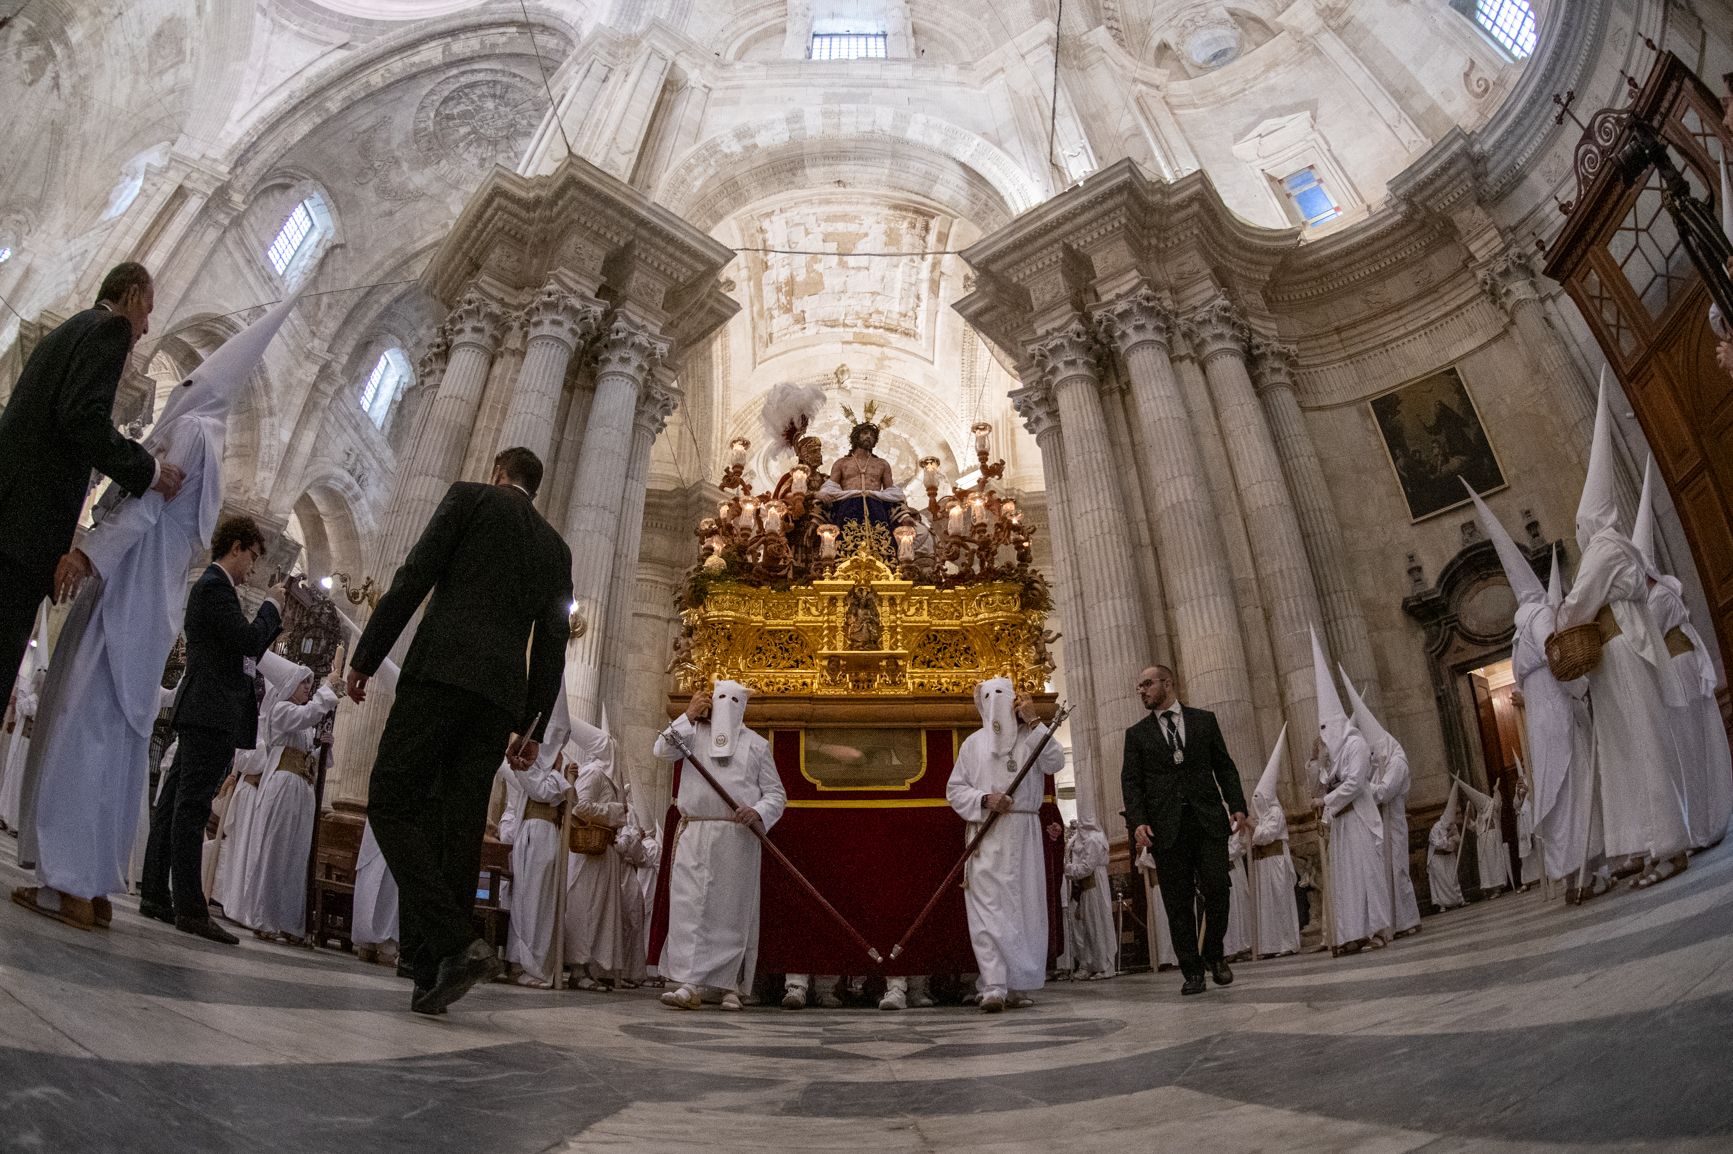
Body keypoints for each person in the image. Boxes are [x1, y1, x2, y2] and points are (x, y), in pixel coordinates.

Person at [11, 294, 296, 932]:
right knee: (113, 740)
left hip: (124, 587)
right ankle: (94, 883)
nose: (182, 387)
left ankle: (70, 885)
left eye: (191, 380)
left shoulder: (191, 431)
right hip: (147, 601)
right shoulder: (210, 439)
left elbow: (140, 507)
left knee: (84, 729)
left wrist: (87, 552)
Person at [347, 445, 572, 1016]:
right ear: (534, 487)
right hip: (498, 700)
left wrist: (367, 655)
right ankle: (432, 975)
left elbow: (414, 576)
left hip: (440, 675)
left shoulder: (468, 499)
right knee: (460, 827)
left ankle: (453, 943)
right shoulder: (555, 548)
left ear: (498, 473)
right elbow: (551, 641)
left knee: (391, 803)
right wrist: (533, 725)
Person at [0, 262, 184, 694]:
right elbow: (82, 416)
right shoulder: (110, 329)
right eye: (149, 310)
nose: (144, 328)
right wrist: (150, 471)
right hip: (23, 536)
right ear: (134, 295)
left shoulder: (70, 330)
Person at [1556, 382, 1691, 889]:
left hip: (1621, 651)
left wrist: (1560, 618)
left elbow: (1579, 604)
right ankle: (1638, 842)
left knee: (1641, 743)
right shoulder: (1615, 548)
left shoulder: (1605, 547)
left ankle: (1669, 846)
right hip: (1612, 657)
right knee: (1622, 750)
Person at [134, 516, 284, 942]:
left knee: (173, 804)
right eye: (251, 558)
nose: (251, 569)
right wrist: (272, 605)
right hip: (211, 710)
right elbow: (248, 642)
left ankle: (156, 896)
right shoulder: (216, 588)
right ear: (234, 548)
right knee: (192, 807)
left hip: (204, 708)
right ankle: (190, 907)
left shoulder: (216, 590)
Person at [1465, 487, 1601, 888]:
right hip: (1556, 707)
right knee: (1572, 784)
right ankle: (1588, 867)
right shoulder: (1541, 614)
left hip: (1540, 718)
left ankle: (1570, 871)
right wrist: (1582, 690)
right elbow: (1557, 658)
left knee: (1557, 791)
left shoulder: (1517, 630)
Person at [653, 680, 786, 1011]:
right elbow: (661, 750)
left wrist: (757, 811)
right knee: (691, 909)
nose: (725, 705)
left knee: (730, 912)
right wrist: (686, 716)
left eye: (732, 699)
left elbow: (776, 793)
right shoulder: (692, 736)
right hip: (695, 832)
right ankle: (689, 982)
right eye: (719, 698)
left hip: (736, 836)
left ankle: (730, 985)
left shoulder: (756, 745)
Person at [1122, 664, 1247, 995]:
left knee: (1218, 887)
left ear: (1167, 683)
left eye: (1147, 684)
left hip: (1207, 820)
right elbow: (1131, 783)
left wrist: (1237, 805)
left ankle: (1215, 955)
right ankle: (1192, 970)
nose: (1142, 691)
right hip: (1166, 828)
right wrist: (1138, 822)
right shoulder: (1136, 735)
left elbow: (1224, 765)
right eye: (1140, 687)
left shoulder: (1204, 721)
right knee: (1177, 902)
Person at [1632, 457, 1733, 850]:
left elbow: (1648, 638)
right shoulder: (1663, 593)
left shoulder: (1659, 598)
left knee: (1690, 743)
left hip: (1680, 667)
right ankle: (1701, 820)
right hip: (1681, 666)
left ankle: (1704, 823)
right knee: (1690, 742)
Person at [947, 678, 1065, 1012]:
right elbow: (955, 789)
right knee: (987, 910)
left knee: (1022, 909)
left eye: (1002, 694)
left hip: (1024, 835)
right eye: (988, 695)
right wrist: (985, 798)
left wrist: (1034, 720)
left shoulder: (1033, 737)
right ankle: (993, 984)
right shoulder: (973, 744)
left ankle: (1017, 983)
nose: (995, 701)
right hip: (988, 832)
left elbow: (1055, 762)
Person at [237, 661, 341, 941]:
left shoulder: (303, 723)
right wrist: (328, 687)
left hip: (302, 789)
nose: (308, 687)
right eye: (304, 682)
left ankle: (289, 921)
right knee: (276, 851)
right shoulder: (281, 710)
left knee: (296, 856)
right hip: (283, 785)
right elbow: (308, 715)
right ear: (289, 686)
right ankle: (264, 918)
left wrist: (322, 747)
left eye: (311, 683)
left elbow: (308, 753)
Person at [1307, 630, 1390, 954]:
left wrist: (1324, 800)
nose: (1324, 736)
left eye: (1327, 728)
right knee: (1347, 881)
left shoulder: (1354, 744)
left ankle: (1377, 932)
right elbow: (1328, 781)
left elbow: (1354, 783)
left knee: (1364, 876)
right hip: (1343, 823)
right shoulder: (1337, 751)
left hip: (1358, 819)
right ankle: (1353, 932)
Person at [1343, 678, 1422, 940]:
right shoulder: (1381, 762)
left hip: (1394, 822)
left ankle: (1407, 920)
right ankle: (1392, 922)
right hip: (1380, 823)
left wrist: (1363, 788)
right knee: (1384, 871)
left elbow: (1385, 791)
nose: (1374, 756)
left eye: (1376, 751)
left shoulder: (1397, 762)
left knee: (1397, 870)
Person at [563, 712, 629, 990]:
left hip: (604, 853)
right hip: (590, 853)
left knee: (598, 911)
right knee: (585, 908)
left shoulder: (607, 777)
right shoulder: (593, 773)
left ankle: (589, 966)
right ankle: (578, 968)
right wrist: (614, 812)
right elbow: (579, 806)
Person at [1246, 726, 1302, 958]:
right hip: (1263, 864)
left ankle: (1287, 943)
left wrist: (1252, 827)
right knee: (1267, 906)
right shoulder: (1262, 815)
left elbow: (1266, 834)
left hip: (1276, 861)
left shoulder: (1276, 813)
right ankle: (1270, 945)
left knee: (1280, 903)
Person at [819, 414, 903, 532]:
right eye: (865, 433)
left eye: (872, 435)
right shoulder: (842, 463)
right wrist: (820, 494)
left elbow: (892, 493)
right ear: (856, 436)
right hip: (848, 506)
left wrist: (905, 515)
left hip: (875, 507)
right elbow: (830, 488)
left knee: (880, 544)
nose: (868, 437)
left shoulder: (882, 464)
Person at [1062, 818, 1117, 980]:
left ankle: (1103, 965)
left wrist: (1068, 869)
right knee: (1088, 928)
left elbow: (1087, 867)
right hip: (1084, 887)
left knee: (1098, 925)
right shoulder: (1078, 839)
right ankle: (1090, 964)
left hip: (1094, 886)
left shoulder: (1094, 839)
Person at [1427, 783, 1466, 912]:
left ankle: (1459, 900)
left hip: (1449, 856)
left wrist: (1453, 838)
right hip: (1437, 857)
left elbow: (1458, 839)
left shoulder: (1453, 826)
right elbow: (1436, 843)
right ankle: (1443, 904)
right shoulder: (1436, 827)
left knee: (1453, 878)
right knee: (1441, 881)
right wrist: (1448, 837)